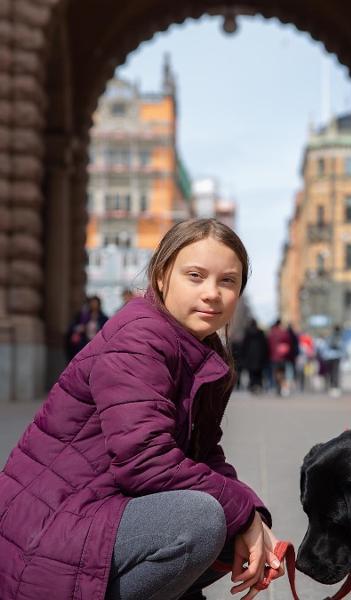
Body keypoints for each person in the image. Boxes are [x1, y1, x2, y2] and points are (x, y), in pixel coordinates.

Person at [0, 219, 285, 600]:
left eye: (227, 281)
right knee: (201, 521)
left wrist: (253, 514)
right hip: (51, 526)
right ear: (162, 276)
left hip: (96, 506)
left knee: (228, 517)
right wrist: (241, 512)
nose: (212, 293)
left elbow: (205, 452)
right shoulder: (139, 337)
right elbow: (145, 462)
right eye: (195, 276)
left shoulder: (198, 349)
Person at [241, 319, 269, 393]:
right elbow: (265, 345)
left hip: (250, 357)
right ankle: (259, 385)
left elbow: (244, 346)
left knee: (251, 373)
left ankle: (252, 386)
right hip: (259, 357)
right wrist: (265, 356)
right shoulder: (261, 333)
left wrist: (243, 357)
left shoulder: (247, 333)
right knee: (259, 373)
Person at [267, 319, 291, 396]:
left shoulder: (271, 333)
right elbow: (288, 342)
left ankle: (279, 387)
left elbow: (268, 345)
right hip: (283, 356)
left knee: (276, 372)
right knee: (282, 372)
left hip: (273, 357)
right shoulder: (283, 333)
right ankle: (282, 387)